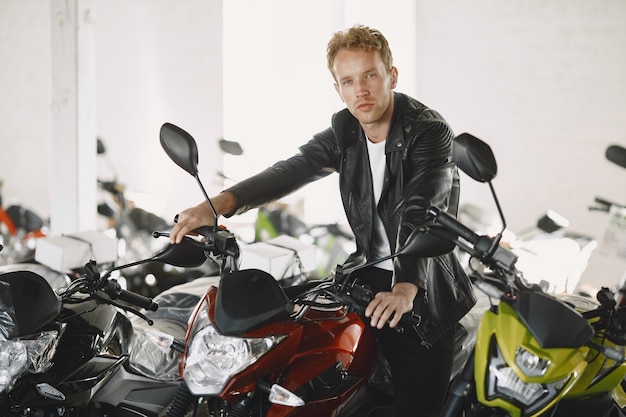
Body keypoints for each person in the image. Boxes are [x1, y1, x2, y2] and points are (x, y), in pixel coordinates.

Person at [170, 24, 476, 417]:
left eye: (370, 75)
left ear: (392, 76)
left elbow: (421, 210)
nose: (360, 90)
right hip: (364, 274)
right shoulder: (345, 129)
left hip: (425, 288)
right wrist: (215, 205)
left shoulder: (429, 132)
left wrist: (405, 286)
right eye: (348, 81)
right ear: (338, 88)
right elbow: (292, 169)